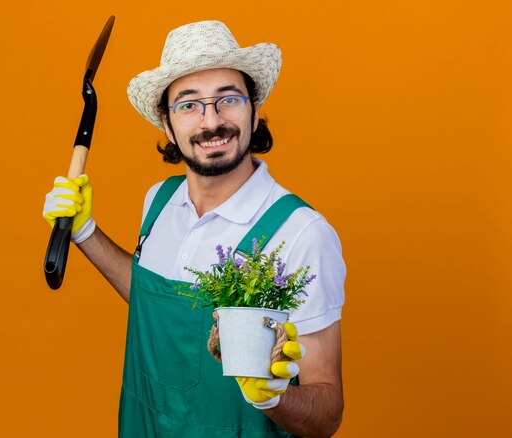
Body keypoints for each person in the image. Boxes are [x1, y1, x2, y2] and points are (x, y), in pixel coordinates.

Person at [43, 20, 346, 437]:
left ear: (255, 112)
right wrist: (84, 232)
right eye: (188, 104)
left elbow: (327, 411)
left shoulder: (301, 233)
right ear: (167, 126)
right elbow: (158, 304)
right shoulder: (160, 201)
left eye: (229, 99)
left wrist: (273, 397)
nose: (211, 121)